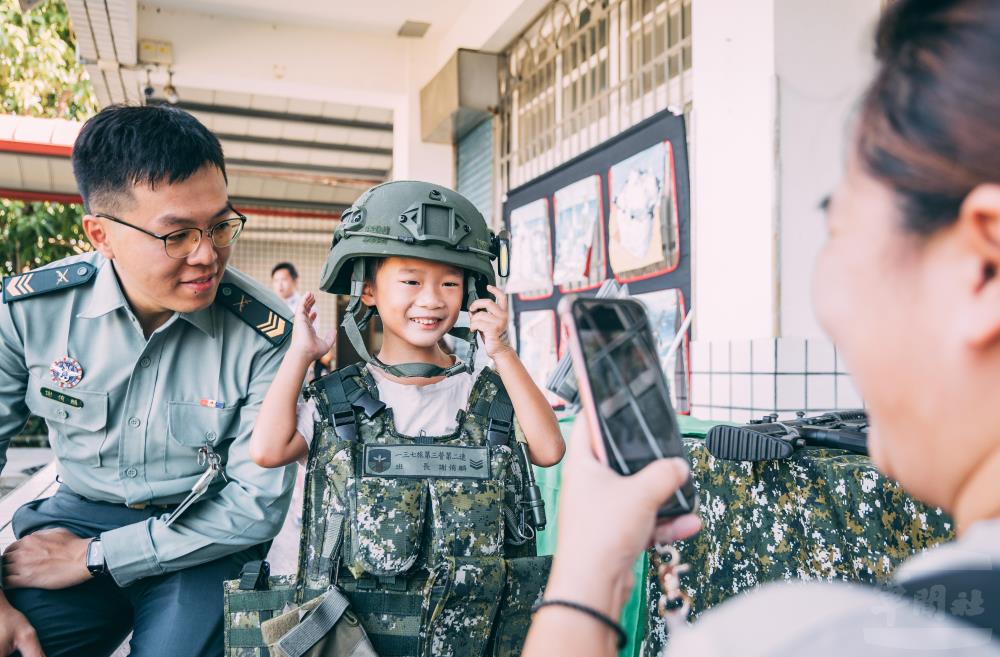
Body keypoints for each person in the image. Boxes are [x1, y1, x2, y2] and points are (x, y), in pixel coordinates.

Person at [523, 0, 1000, 655]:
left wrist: (583, 582)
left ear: (983, 267)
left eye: (839, 228)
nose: (828, 296)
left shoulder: (809, 640)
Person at [0, 105, 295, 657]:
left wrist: (95, 556)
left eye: (220, 225)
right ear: (101, 234)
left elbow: (255, 504)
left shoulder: (264, 331)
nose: (208, 255)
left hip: (203, 536)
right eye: (177, 235)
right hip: (74, 514)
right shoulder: (29, 311)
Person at [248, 180, 565, 655]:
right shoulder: (340, 400)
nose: (433, 299)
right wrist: (300, 356)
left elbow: (548, 448)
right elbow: (268, 450)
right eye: (412, 280)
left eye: (450, 282)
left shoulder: (487, 392)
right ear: (369, 290)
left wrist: (501, 352)